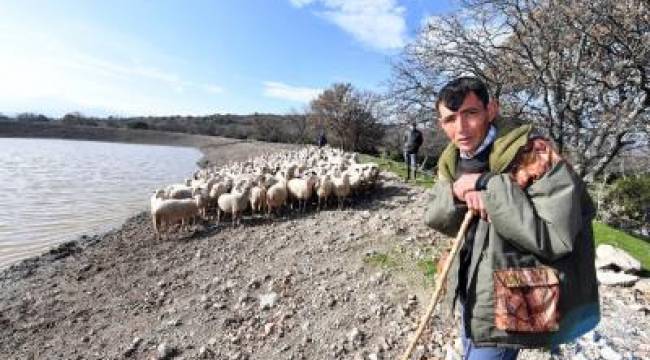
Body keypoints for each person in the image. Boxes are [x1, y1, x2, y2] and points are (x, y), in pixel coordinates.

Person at [424, 77, 599, 359]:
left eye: (471, 113)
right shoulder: (452, 159)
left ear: (491, 110)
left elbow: (556, 237)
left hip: (512, 298)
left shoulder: (536, 156)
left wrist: (489, 186)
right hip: (471, 288)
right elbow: (434, 216)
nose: (461, 128)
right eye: (450, 119)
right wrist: (456, 192)